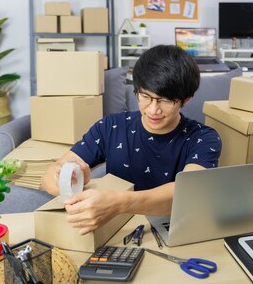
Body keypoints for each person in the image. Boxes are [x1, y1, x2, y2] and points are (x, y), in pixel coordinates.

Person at [41, 45, 222, 234]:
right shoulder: (110, 126)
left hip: (176, 230)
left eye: (166, 101)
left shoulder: (204, 137)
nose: (153, 110)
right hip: (116, 231)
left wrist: (118, 203)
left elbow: (188, 193)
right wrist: (66, 180)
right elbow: (47, 179)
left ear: (186, 99)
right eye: (145, 96)